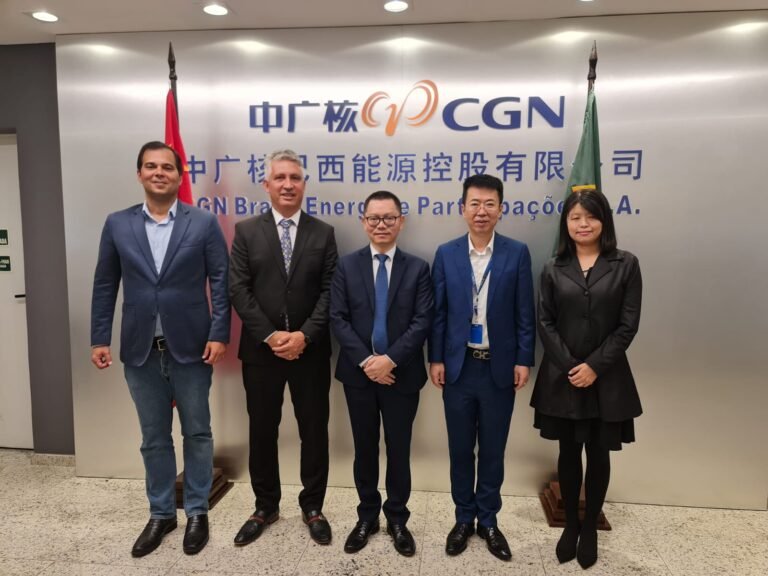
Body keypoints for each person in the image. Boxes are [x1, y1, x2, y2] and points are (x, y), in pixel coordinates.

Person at [90, 141, 230, 557]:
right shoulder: (117, 224)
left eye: (167, 167)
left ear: (179, 175)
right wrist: (99, 337)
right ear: (139, 174)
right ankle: (161, 513)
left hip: (192, 347)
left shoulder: (202, 223)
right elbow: (105, 284)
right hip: (140, 350)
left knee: (197, 432)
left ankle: (198, 511)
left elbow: (220, 281)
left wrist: (219, 332)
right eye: (150, 166)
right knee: (153, 437)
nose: (158, 173)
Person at [229, 149, 338, 547]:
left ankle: (313, 507)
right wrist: (272, 336)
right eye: (280, 177)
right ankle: (265, 506)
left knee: (314, 431)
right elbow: (238, 289)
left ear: (304, 184)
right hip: (262, 353)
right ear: (267, 184)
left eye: (295, 178)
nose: (288, 184)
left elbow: (331, 290)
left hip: (310, 351)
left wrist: (304, 336)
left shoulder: (323, 233)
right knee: (262, 430)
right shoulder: (246, 231)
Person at [530, 188, 642, 569]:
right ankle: (571, 526)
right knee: (567, 451)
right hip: (563, 378)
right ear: (566, 223)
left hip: (607, 378)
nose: (583, 224)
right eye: (575, 217)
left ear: (604, 221)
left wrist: (594, 366)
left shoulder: (625, 264)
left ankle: (590, 526)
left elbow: (628, 325)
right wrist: (570, 365)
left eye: (591, 217)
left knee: (598, 453)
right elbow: (544, 322)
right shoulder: (553, 268)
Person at [428, 174, 535, 562]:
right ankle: (463, 519)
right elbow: (438, 313)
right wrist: (436, 358)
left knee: (492, 449)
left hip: (498, 369)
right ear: (462, 209)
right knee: (460, 449)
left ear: (500, 209)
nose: (481, 211)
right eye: (474, 203)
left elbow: (525, 312)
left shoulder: (516, 253)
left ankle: (488, 520)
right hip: (459, 369)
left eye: (490, 204)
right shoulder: (446, 254)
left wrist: (523, 359)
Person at [330, 191, 433, 557]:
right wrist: (368, 362)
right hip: (358, 376)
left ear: (401, 222)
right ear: (363, 222)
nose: (381, 224)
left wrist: (389, 360)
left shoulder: (418, 268)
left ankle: (398, 518)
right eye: (374, 218)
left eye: (389, 218)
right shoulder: (347, 266)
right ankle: (367, 516)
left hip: (401, 375)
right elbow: (337, 318)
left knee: (399, 449)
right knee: (364, 448)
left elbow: (422, 320)